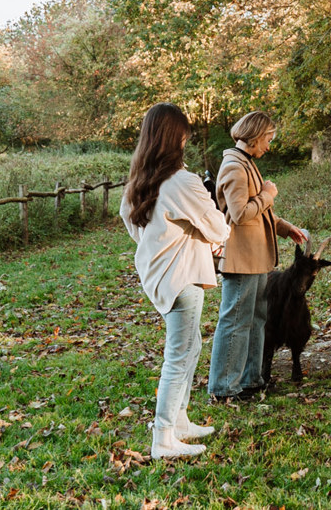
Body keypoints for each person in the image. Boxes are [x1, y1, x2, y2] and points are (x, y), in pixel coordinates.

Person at [121, 103, 231, 459]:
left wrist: (162, 242)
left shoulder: (141, 180)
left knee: (191, 347)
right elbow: (219, 227)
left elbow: (132, 224)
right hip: (182, 277)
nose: (186, 139)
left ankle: (180, 420)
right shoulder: (182, 181)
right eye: (183, 133)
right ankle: (163, 437)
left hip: (160, 275)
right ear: (174, 137)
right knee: (179, 355)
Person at [209, 111, 308, 401]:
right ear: (253, 136)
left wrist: (285, 228)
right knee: (235, 321)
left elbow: (260, 213)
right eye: (267, 139)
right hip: (241, 260)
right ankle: (223, 389)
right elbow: (240, 214)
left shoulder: (248, 164)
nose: (269, 145)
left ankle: (252, 380)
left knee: (256, 319)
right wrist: (267, 195)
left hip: (257, 259)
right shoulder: (234, 166)